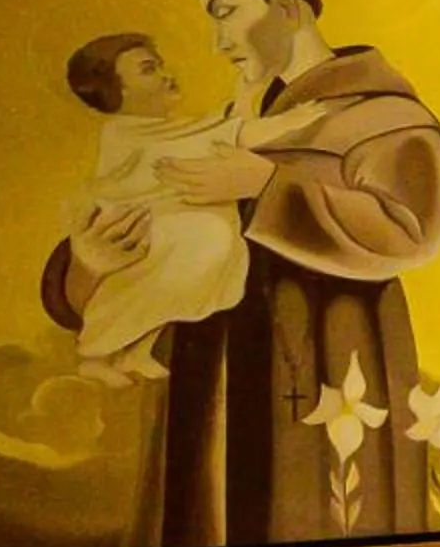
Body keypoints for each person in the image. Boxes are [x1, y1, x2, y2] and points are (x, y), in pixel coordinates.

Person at [41, 0, 440, 547]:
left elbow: (411, 232)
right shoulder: (235, 116)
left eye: (225, 12)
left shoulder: (384, 116)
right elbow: (148, 226)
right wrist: (89, 264)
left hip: (327, 353)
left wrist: (267, 188)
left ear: (286, 9)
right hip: (207, 372)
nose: (217, 41)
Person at [58, 32, 329, 385]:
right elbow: (228, 138)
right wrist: (292, 121)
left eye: (160, 65)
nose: (166, 75)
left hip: (172, 233)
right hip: (147, 238)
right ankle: (97, 352)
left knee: (195, 268)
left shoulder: (163, 131)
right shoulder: (126, 134)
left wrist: (244, 99)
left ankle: (134, 352)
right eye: (149, 69)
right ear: (118, 91)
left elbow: (216, 133)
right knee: (183, 259)